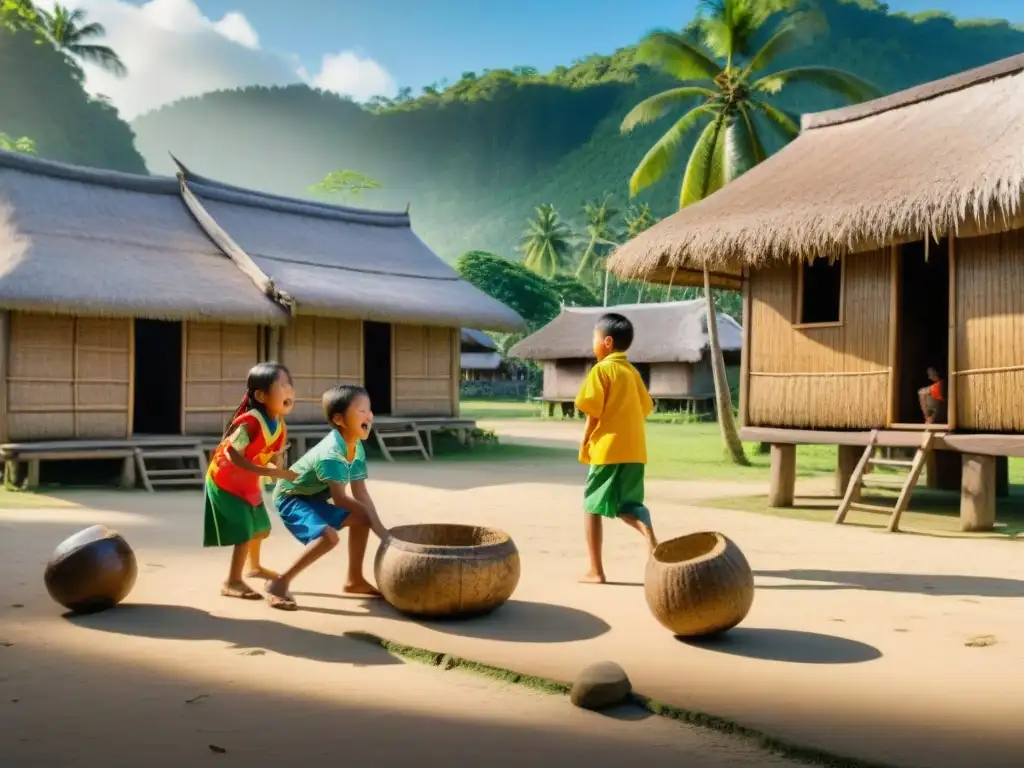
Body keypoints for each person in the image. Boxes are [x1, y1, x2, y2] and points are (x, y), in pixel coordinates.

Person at [265, 384, 390, 611]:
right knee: (329, 537)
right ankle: (279, 583)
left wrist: (379, 528)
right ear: (340, 420)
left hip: (313, 497)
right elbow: (342, 499)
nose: (369, 415)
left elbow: (360, 492)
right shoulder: (332, 454)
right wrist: (383, 532)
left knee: (362, 517)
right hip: (290, 496)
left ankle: (354, 580)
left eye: (369, 410)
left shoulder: (355, 446)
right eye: (361, 410)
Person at [574, 312, 657, 584]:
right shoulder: (632, 372)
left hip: (607, 450)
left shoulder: (602, 370)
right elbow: (645, 408)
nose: (593, 344)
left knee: (591, 506)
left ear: (607, 342)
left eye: (594, 338)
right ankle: (650, 539)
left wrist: (586, 441)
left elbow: (593, 413)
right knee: (629, 505)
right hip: (635, 450)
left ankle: (595, 571)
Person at [204, 362, 298, 600]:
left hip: (247, 480)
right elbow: (232, 453)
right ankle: (232, 581)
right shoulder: (250, 422)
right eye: (282, 385)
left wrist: (279, 472)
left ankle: (254, 568)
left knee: (259, 527)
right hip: (225, 479)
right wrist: (265, 471)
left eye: (290, 385)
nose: (288, 391)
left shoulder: (279, 425)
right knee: (244, 531)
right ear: (260, 395)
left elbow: (275, 456)